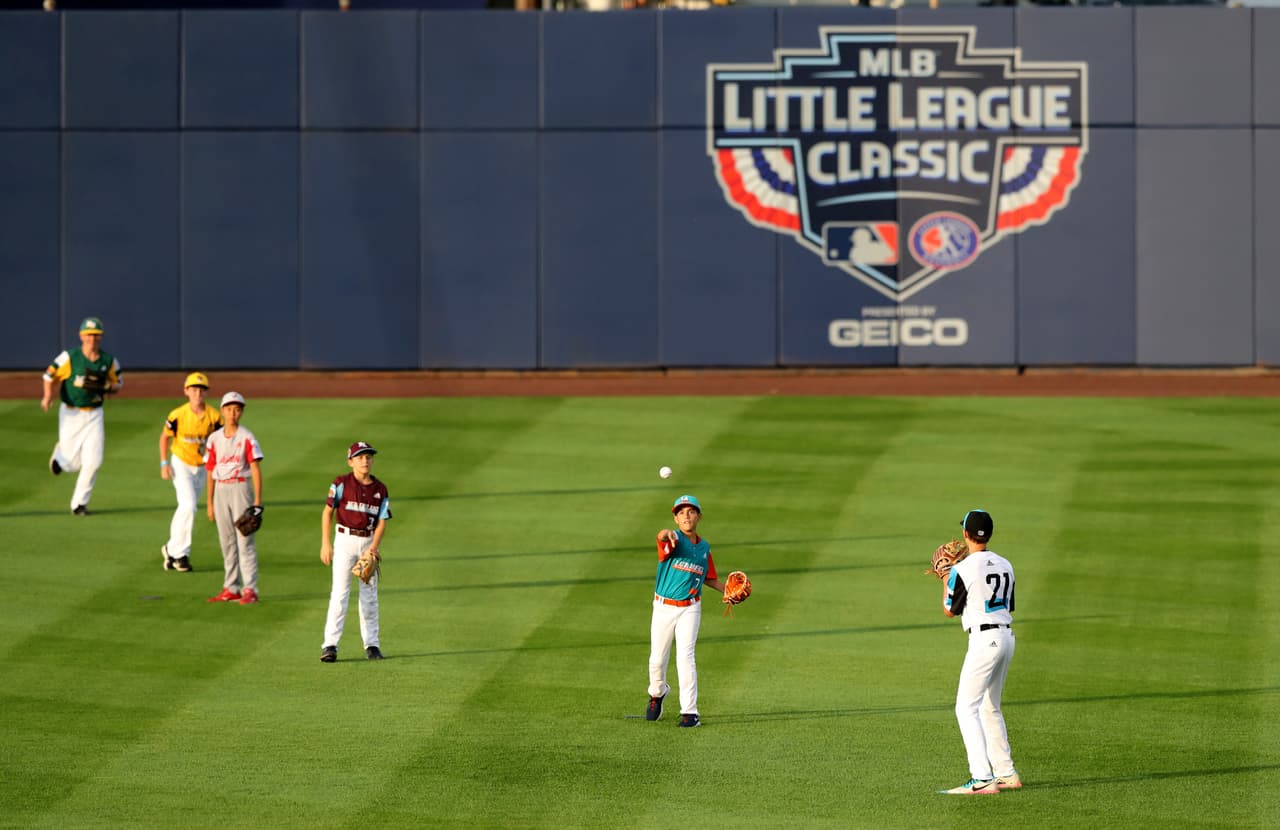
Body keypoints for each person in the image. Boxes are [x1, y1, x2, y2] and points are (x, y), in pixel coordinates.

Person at [939, 509, 1021, 795]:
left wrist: (947, 575)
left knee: (965, 707)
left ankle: (982, 777)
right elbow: (1006, 605)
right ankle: (1006, 772)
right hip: (1006, 637)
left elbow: (949, 610)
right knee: (989, 706)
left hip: (984, 642)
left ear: (965, 534)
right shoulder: (1005, 563)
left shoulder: (962, 570)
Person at [646, 494, 729, 728]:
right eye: (681, 512)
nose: (686, 515)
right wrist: (665, 533)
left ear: (699, 516)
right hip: (663, 607)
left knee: (686, 658)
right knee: (657, 660)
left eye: (691, 511)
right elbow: (662, 537)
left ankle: (690, 712)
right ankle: (657, 693)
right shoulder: (672, 540)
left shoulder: (704, 548)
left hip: (690, 609)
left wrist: (726, 591)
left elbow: (708, 577)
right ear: (675, 518)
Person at [41, 316, 123, 516]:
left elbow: (119, 383)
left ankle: (79, 504)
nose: (92, 339)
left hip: (94, 414)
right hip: (71, 413)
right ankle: (60, 457)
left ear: (101, 337)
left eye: (96, 335)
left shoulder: (108, 361)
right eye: (88, 335)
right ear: (81, 336)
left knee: (94, 461)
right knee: (71, 463)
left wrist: (107, 387)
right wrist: (48, 395)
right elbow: (48, 375)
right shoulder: (70, 357)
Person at [319, 441, 392, 663]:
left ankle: (372, 645)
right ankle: (330, 645)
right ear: (351, 461)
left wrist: (373, 548)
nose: (365, 460)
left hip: (367, 542)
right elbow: (327, 512)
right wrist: (326, 543)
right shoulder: (340, 483)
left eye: (368, 456)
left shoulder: (380, 489)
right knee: (340, 594)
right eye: (360, 457)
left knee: (369, 597)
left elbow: (382, 522)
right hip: (344, 540)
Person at [204, 392, 264, 605]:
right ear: (222, 411)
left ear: (241, 412)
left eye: (237, 409)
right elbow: (210, 471)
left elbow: (255, 469)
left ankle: (250, 589)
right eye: (229, 409)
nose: (233, 413)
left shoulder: (247, 437)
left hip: (240, 488)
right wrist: (210, 503)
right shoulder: (214, 439)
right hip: (221, 489)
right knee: (226, 541)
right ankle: (231, 587)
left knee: (245, 539)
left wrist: (257, 501)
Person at [159, 372, 222, 572]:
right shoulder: (177, 414)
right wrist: (163, 464)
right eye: (194, 389)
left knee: (185, 508)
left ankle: (170, 549)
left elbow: (219, 442)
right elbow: (164, 438)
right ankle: (181, 556)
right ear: (186, 391)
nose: (198, 393)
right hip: (181, 463)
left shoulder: (214, 417)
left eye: (201, 390)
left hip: (202, 467)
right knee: (189, 506)